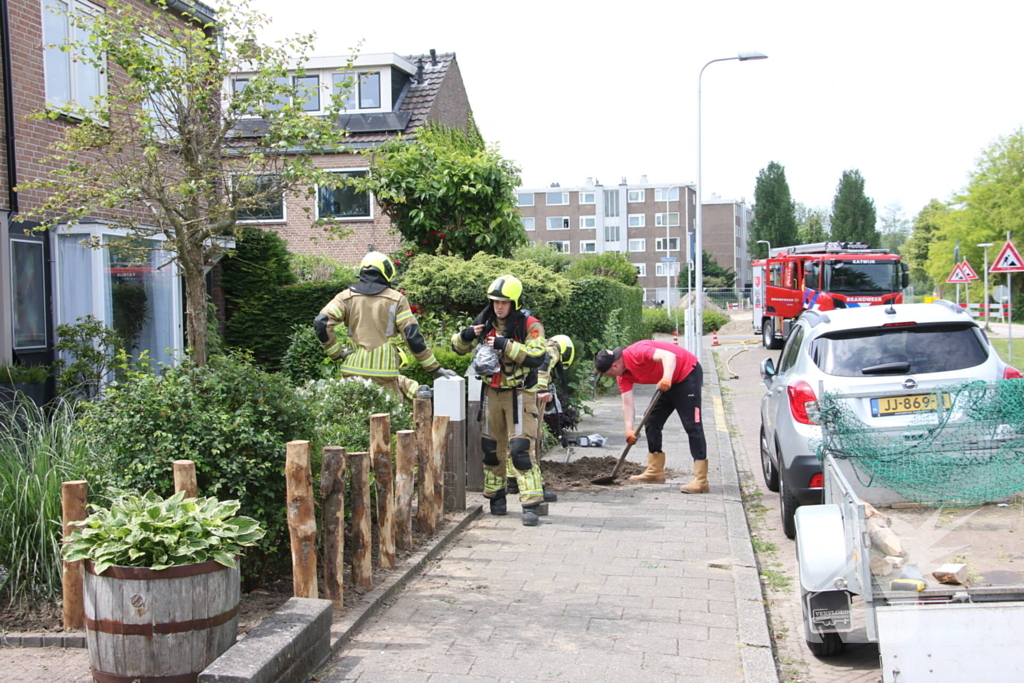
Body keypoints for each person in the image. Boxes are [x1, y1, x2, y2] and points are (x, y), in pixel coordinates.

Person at [451, 275, 548, 526]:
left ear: (514, 302)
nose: (499, 307)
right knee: (491, 450)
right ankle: (496, 498)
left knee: (520, 451)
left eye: (504, 302)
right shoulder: (484, 321)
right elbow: (458, 348)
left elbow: (537, 356)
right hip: (490, 394)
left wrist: (507, 345)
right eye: (495, 302)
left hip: (519, 395)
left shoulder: (530, 324)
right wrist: (466, 335)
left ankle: (530, 504)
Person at [314, 251, 456, 401]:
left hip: (353, 373)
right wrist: (433, 367)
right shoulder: (396, 299)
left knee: (353, 418)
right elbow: (411, 336)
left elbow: (321, 322)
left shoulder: (345, 297)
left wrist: (336, 353)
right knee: (389, 420)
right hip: (384, 374)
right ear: (386, 272)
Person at [594, 341, 709, 494]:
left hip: (686, 374)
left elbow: (669, 356)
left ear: (614, 366)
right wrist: (629, 429)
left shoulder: (637, 352)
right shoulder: (623, 376)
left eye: (608, 374)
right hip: (667, 382)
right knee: (652, 421)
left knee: (692, 425)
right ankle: (655, 471)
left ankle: (701, 480)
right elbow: (627, 404)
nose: (609, 377)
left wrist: (666, 378)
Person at [507, 334, 575, 503]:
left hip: (510, 394)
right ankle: (536, 487)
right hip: (531, 396)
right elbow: (543, 363)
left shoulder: (534, 345)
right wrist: (542, 389)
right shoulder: (552, 350)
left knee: (514, 437)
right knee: (531, 440)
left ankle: (513, 481)